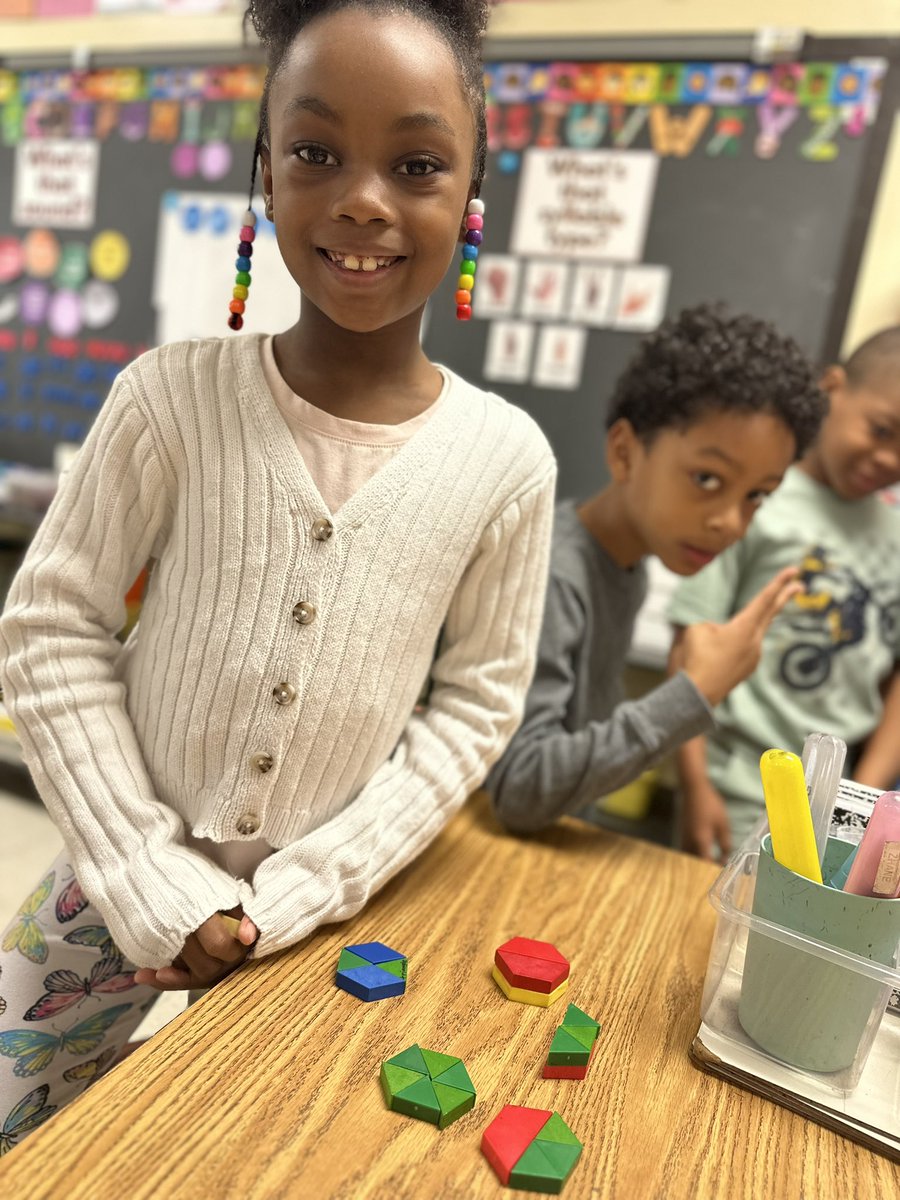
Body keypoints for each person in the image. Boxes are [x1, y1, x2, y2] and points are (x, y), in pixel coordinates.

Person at [0, 0, 556, 1141]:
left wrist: (295, 896)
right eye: (315, 152)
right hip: (107, 890)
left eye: (415, 163)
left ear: (472, 196)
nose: (363, 199)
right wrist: (158, 884)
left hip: (318, 935)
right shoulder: (169, 399)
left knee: (237, 1155)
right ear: (264, 172)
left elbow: (478, 703)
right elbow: (50, 626)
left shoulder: (506, 464)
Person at [487, 305, 825, 838]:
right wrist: (694, 691)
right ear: (625, 452)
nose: (731, 523)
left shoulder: (626, 564)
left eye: (757, 495)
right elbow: (521, 788)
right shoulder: (554, 573)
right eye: (708, 479)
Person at [670, 325, 900, 860]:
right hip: (735, 790)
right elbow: (689, 652)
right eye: (882, 429)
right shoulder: (754, 501)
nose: (890, 459)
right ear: (833, 390)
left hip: (844, 811)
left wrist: (863, 798)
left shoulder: (894, 534)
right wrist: (695, 786)